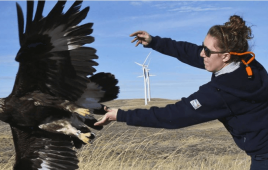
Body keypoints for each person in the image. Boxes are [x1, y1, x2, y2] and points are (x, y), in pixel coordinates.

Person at [94, 15, 268, 170]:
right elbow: (190, 52)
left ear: (226, 56)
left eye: (207, 51)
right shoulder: (247, 62)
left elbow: (174, 115)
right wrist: (155, 42)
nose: (202, 54)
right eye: (203, 47)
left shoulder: (221, 93)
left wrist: (120, 115)